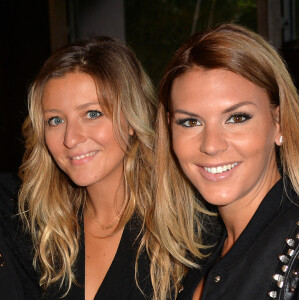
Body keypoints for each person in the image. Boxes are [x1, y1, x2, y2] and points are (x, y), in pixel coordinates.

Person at [18, 36, 207, 300]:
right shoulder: (43, 229)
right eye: (55, 120)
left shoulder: (188, 228)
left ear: (131, 119)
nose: (70, 138)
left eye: (92, 114)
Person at [156, 23, 299, 299]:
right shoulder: (188, 255)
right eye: (190, 122)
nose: (211, 144)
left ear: (279, 123)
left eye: (236, 118)